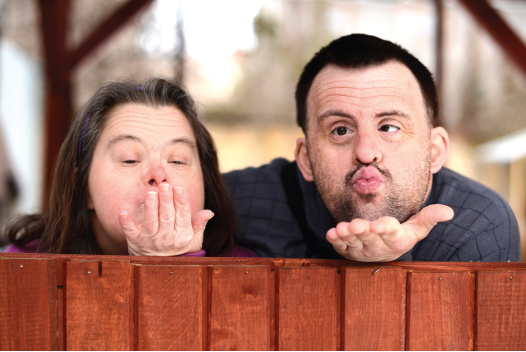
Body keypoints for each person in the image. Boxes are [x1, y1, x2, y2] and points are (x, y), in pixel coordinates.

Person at [224, 34, 520, 262]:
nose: (366, 152)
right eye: (340, 130)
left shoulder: (478, 225)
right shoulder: (234, 201)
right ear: (306, 159)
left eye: (389, 127)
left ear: (434, 150)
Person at [5, 78, 255, 257]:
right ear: (84, 189)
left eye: (177, 160)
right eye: (129, 160)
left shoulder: (247, 271)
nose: (158, 175)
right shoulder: (21, 265)